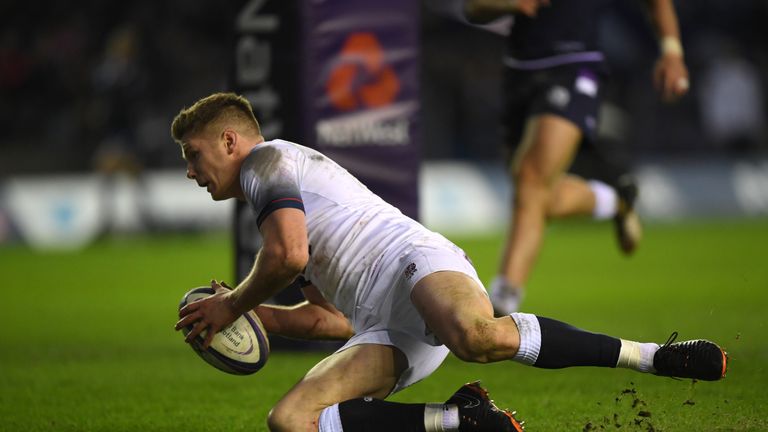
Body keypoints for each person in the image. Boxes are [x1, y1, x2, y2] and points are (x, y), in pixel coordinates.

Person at [171, 93, 725, 432]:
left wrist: (233, 303)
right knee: (291, 421)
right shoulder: (269, 194)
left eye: (193, 155)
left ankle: (652, 357)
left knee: (475, 336)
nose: (191, 173)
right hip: (381, 324)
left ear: (227, 140)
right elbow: (329, 319)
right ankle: (463, 419)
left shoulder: (265, 164)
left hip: (411, 263)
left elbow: (287, 257)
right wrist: (260, 317)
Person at [463, 0, 691, 315]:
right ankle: (613, 200)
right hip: (519, 72)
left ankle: (502, 303)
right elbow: (473, 8)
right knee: (536, 197)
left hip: (575, 65)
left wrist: (672, 51)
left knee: (531, 182)